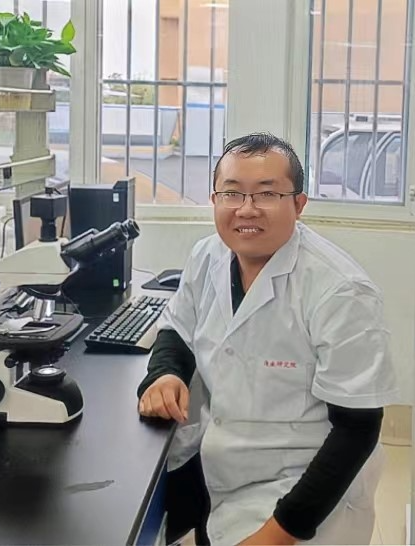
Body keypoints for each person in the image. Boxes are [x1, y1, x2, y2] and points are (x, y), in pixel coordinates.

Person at [137, 133, 398, 546]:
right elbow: (177, 327)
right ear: (214, 199)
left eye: (267, 194)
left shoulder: (341, 291)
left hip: (301, 488)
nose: (247, 209)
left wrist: (277, 535)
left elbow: (357, 430)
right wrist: (165, 374)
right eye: (232, 193)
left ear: (299, 204)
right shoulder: (208, 255)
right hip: (218, 462)